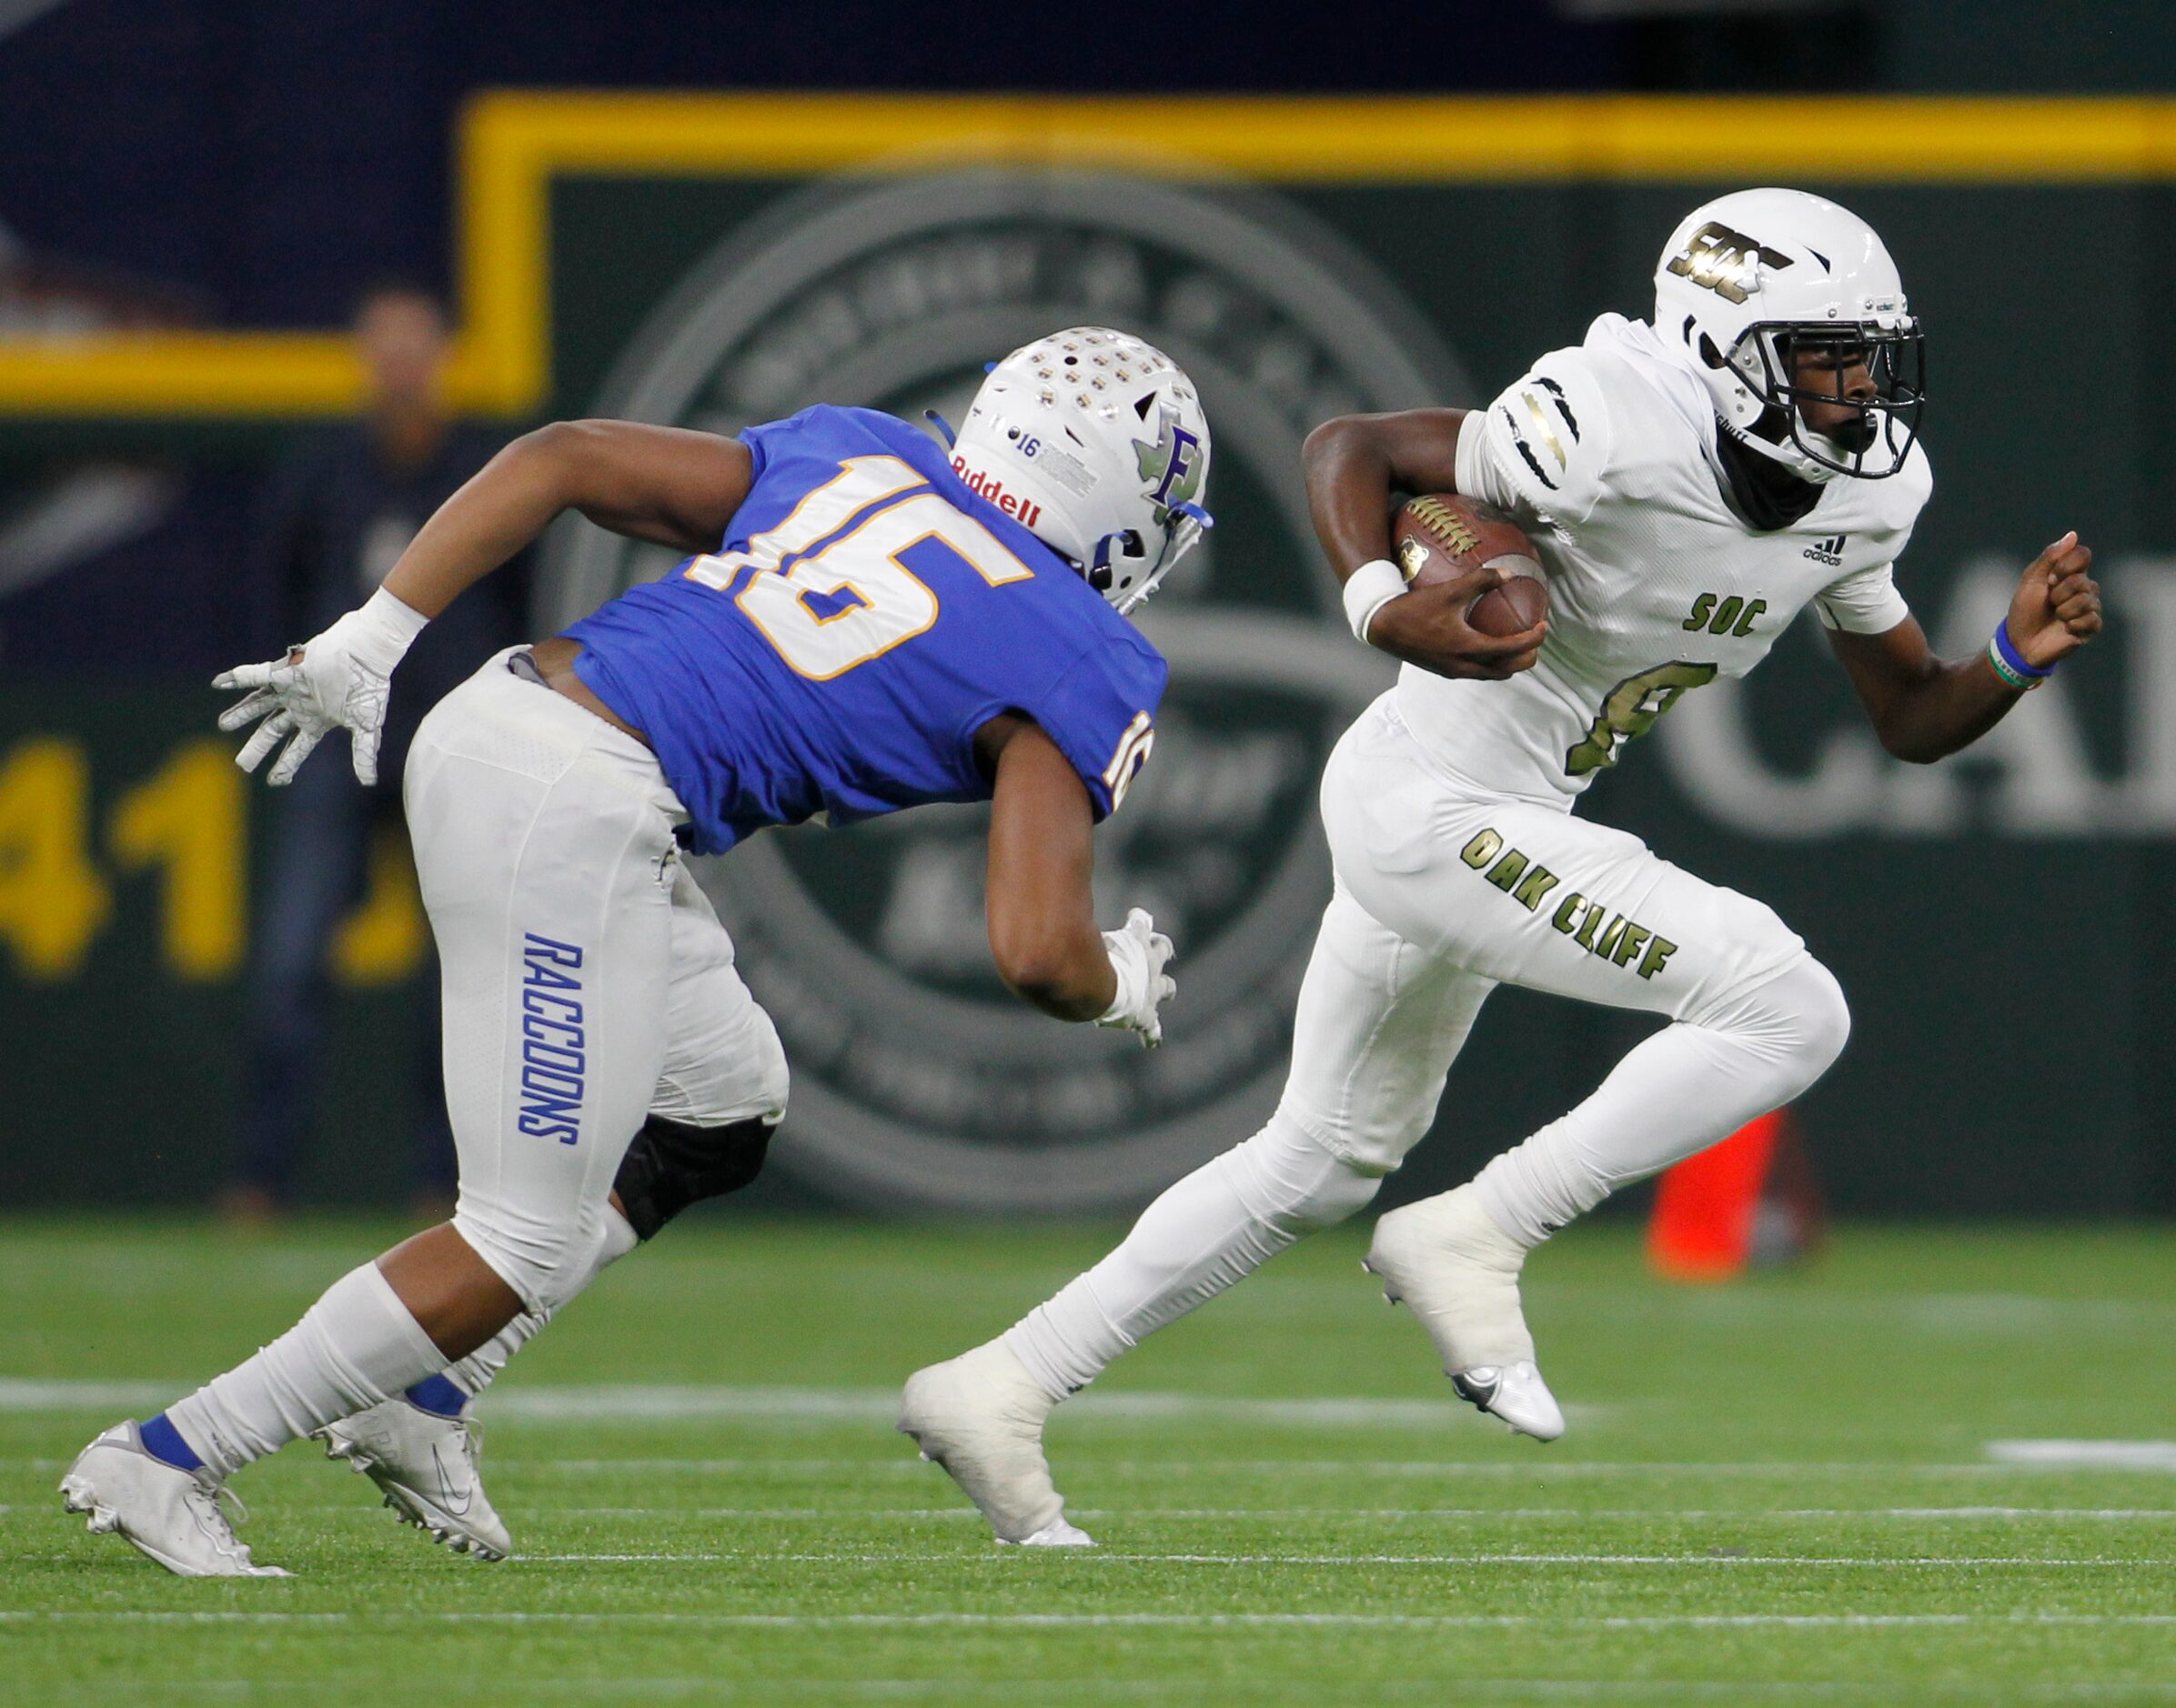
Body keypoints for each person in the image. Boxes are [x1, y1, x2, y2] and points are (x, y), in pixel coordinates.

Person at [899, 188, 2104, 1547]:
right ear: (1718, 349)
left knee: (1321, 1156)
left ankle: (998, 1382)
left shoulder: (1874, 489)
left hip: (1496, 811)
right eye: (1825, 355)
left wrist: (2008, 661)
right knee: (1787, 1001)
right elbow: (1352, 446)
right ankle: (1480, 1229)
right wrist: (1382, 600)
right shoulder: (1609, 416)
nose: (1858, 389)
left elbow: (1909, 714)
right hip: (1428, 801)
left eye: (1869, 355)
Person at [59, 326, 1210, 1575]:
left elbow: (564, 456)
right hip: (575, 800)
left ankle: (419, 1398)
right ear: (1126, 507)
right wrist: (1118, 979)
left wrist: (373, 633)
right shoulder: (1085, 652)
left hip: (510, 721)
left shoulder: (865, 454)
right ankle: (173, 1452)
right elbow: (1038, 952)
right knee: (517, 1236)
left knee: (723, 1104)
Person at [227, 282, 528, 1219]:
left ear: (441, 355)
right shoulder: (326, 468)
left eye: (415, 345)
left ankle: (444, 1184)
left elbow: (523, 602)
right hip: (336, 743)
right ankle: (259, 1180)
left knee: (464, 975)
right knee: (288, 967)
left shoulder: (483, 466)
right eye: (383, 347)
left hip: (453, 749)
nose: (400, 365)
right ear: (365, 358)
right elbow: (280, 585)